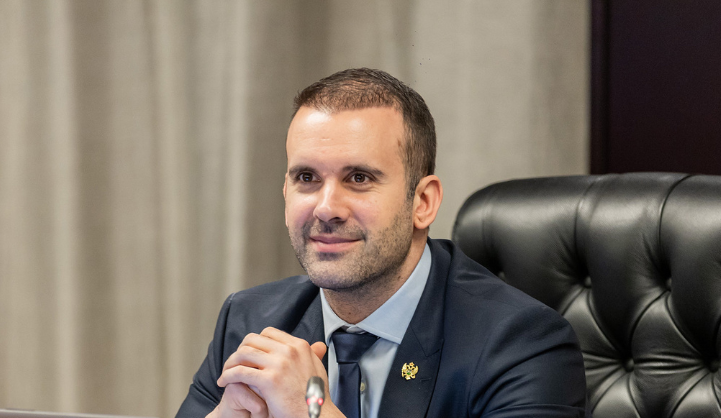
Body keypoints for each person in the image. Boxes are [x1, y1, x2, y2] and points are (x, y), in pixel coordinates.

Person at [176, 68, 587, 418]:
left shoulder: (523, 343)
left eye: (359, 178)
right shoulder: (249, 320)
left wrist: (311, 408)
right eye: (306, 178)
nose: (326, 208)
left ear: (422, 203)